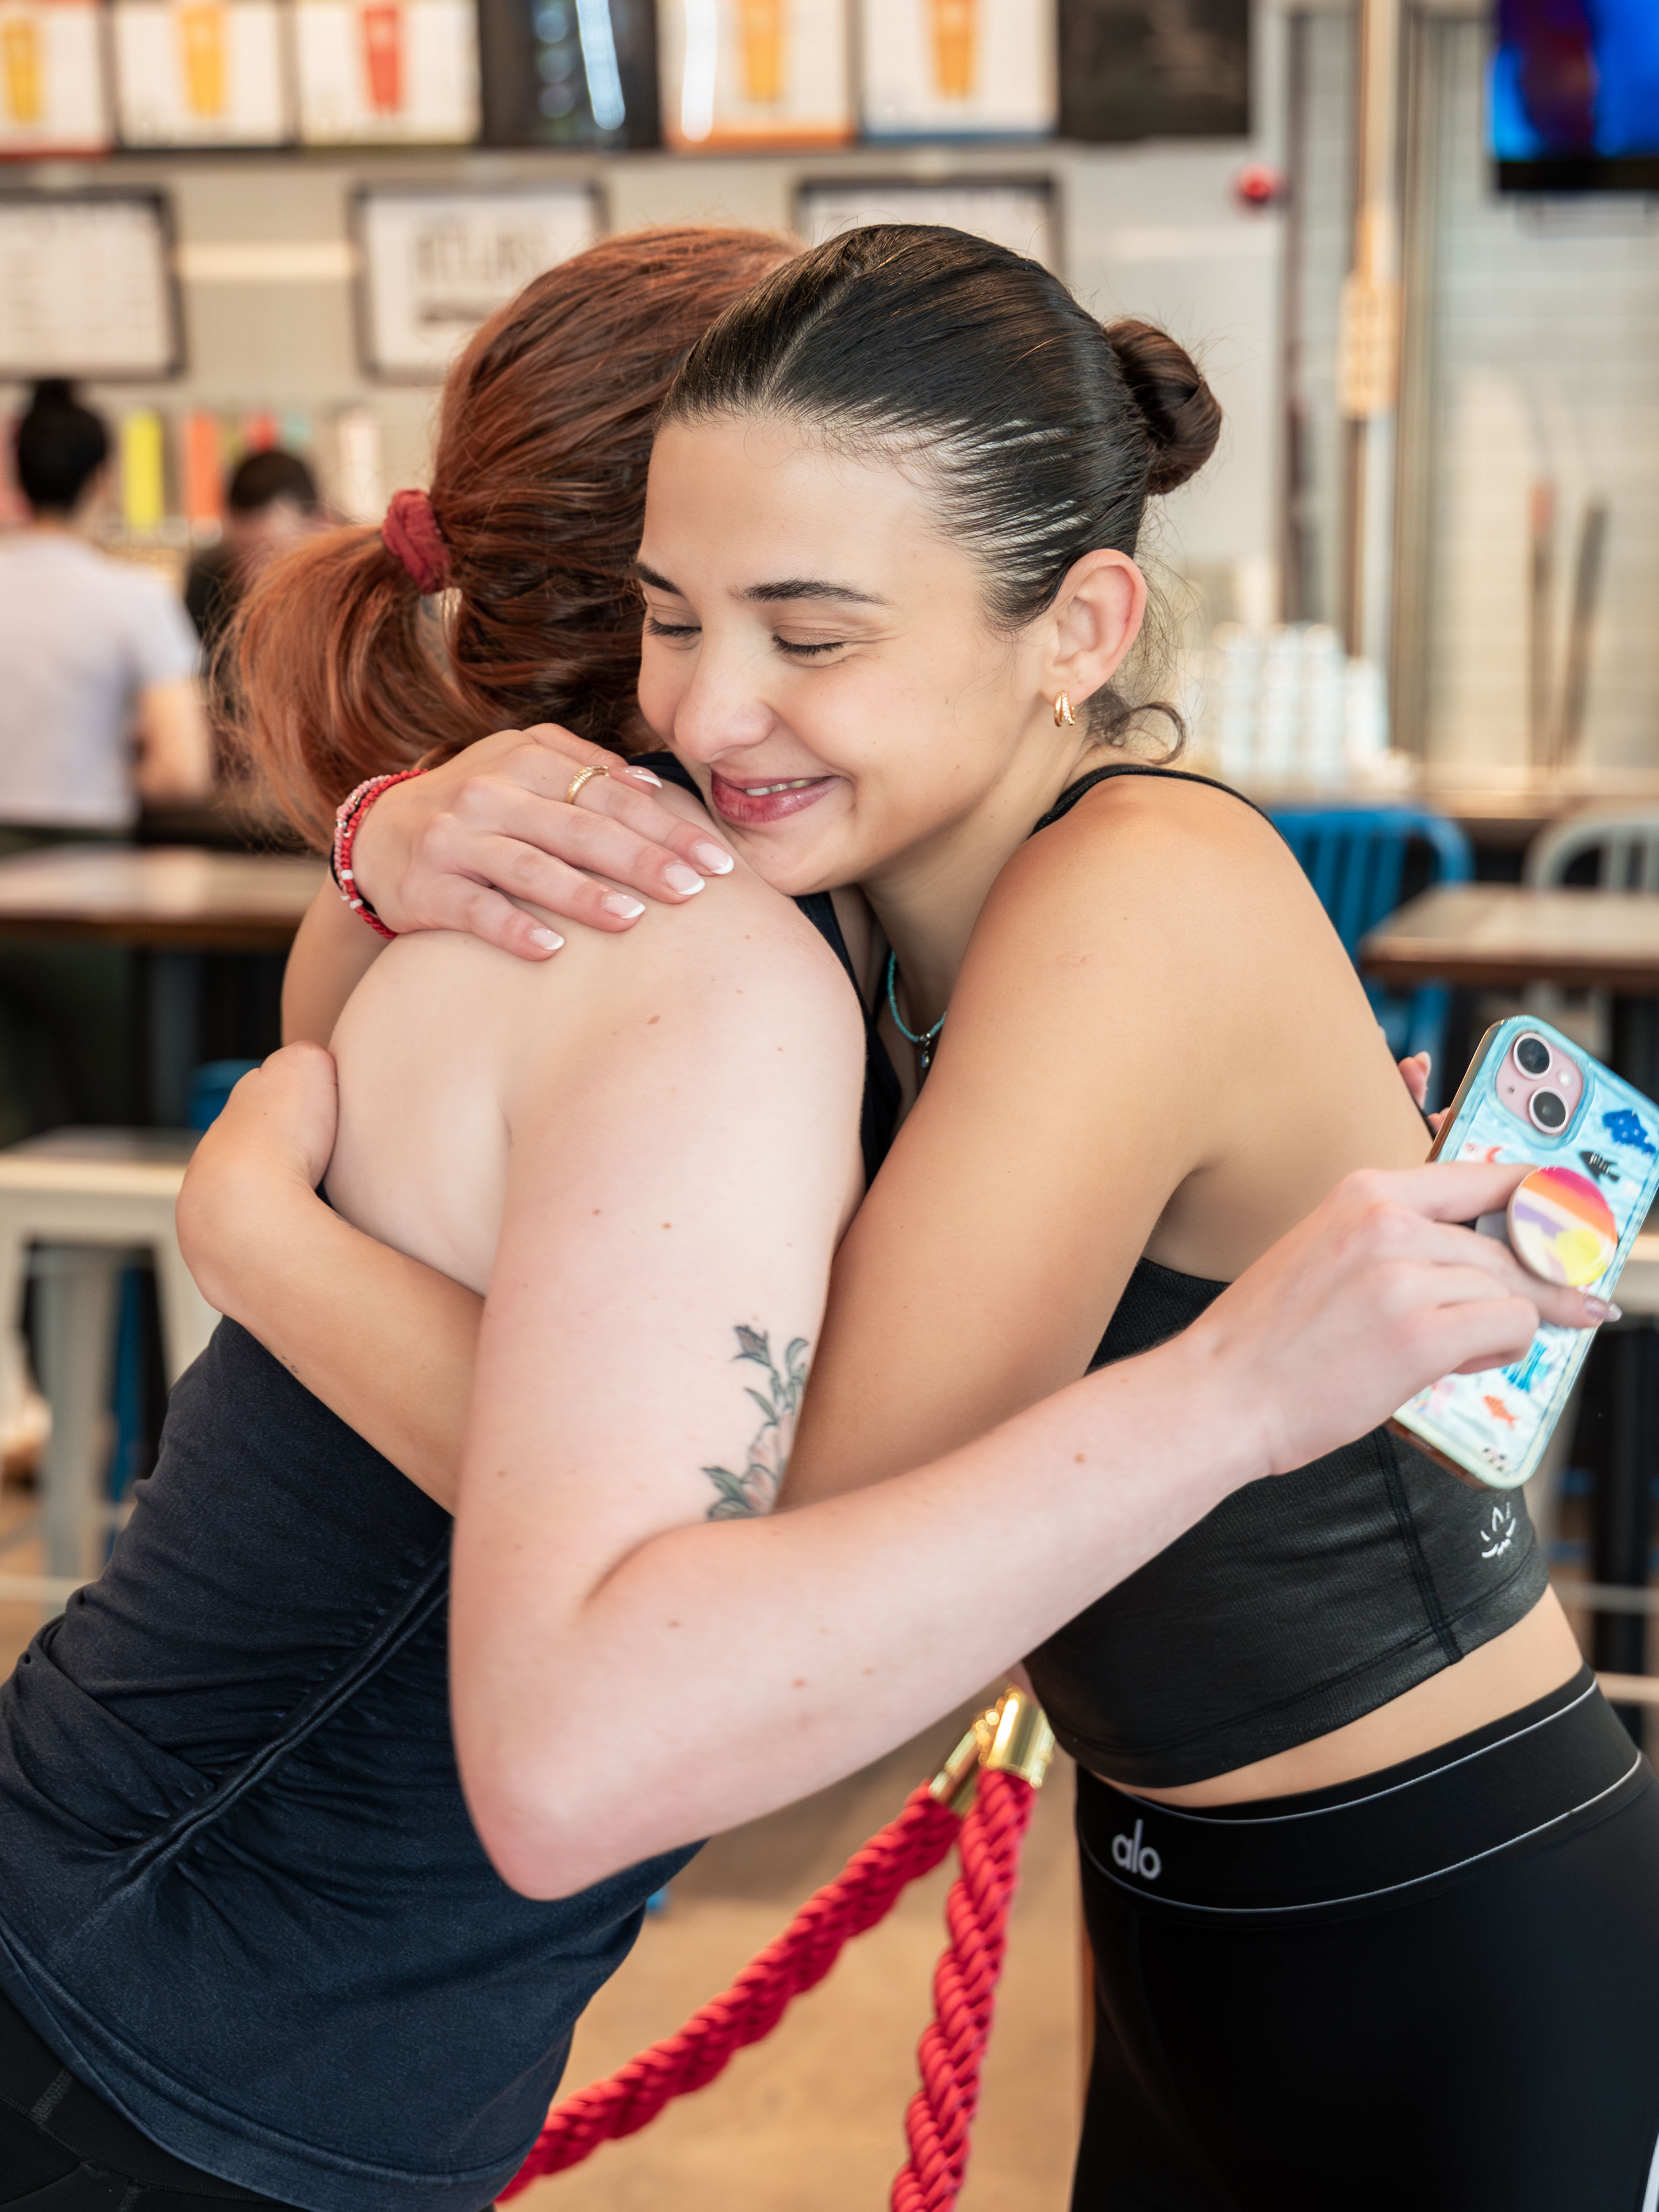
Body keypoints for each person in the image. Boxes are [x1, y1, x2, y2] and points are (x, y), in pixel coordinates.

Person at [0, 229, 1586, 2212]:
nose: (728, 700)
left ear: (1076, 622)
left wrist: (272, 1254)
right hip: (1183, 1891)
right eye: (678, 613)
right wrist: (381, 831)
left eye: (810, 626)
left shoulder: (1121, 897)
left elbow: (767, 1566)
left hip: (1442, 1890)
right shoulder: (842, 920)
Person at [0, 381, 211, 1136]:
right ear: (102, 480)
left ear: (14, 477)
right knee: (116, 1121)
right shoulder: (132, 599)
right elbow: (184, 773)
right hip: (85, 881)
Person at [184, 446, 324, 661]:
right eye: (241, 555)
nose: (252, 576)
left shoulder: (346, 596)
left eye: (271, 555)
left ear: (318, 525)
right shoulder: (207, 586)